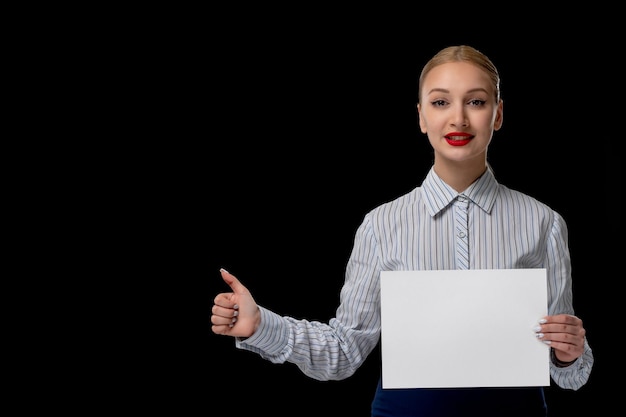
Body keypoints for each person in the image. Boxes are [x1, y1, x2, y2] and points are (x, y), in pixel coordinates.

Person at [211, 45, 593, 416]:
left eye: (475, 102)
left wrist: (570, 352)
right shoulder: (381, 225)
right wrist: (261, 324)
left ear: (497, 114)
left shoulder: (544, 223)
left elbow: (568, 372)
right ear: (421, 117)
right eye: (440, 102)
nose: (458, 118)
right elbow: (344, 352)